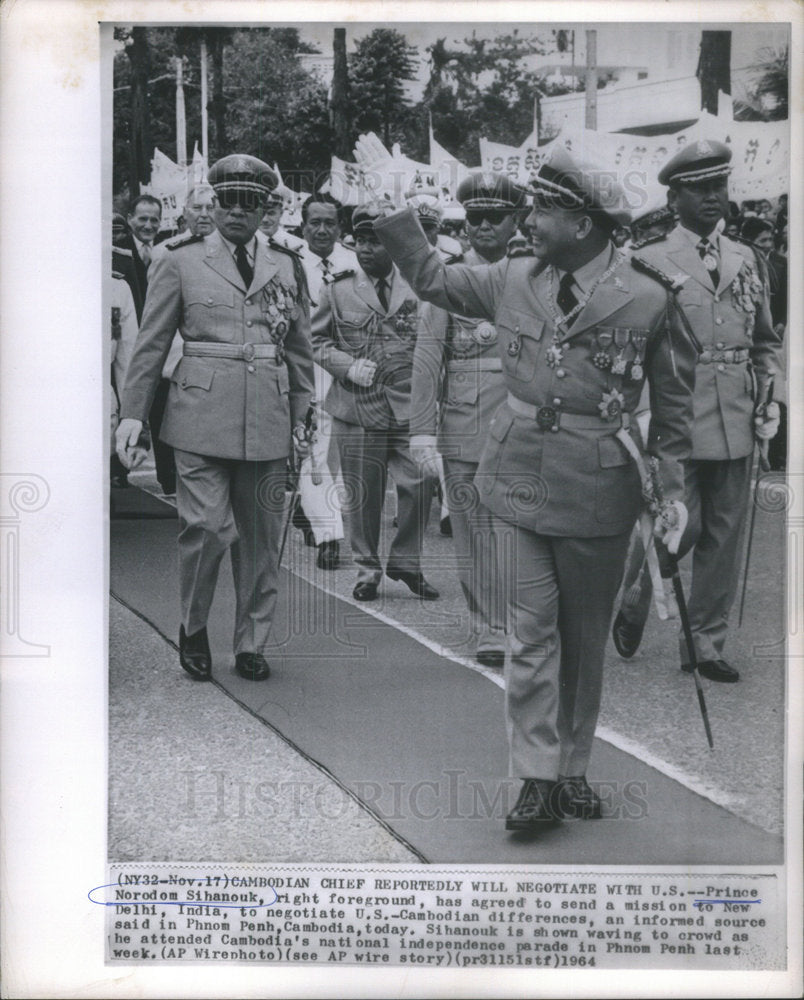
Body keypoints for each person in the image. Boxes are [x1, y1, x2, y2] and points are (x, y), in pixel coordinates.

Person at [374, 147, 695, 831]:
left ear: (582, 222)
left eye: (546, 207)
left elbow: (672, 414)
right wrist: (394, 213)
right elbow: (432, 277)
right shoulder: (514, 275)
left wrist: (672, 495)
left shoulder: (650, 293)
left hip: (600, 485)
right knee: (530, 635)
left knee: (583, 637)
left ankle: (574, 766)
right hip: (515, 477)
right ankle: (536, 777)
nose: (532, 217)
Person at [115, 154, 315, 683]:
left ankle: (251, 640)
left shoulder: (286, 264)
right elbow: (152, 342)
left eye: (250, 203)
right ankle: (193, 624)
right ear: (214, 203)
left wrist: (303, 415)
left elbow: (299, 350)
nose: (237, 212)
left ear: (265, 209)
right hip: (200, 414)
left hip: (269, 417)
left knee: (261, 537)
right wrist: (132, 413)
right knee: (204, 527)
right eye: (228, 200)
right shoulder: (179, 260)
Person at [610, 141, 782, 682]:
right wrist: (633, 413)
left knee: (723, 535)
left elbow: (765, 339)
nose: (713, 198)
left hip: (736, 412)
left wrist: (771, 395)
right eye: (700, 188)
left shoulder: (745, 257)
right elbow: (630, 343)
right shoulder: (648, 259)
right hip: (672, 416)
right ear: (674, 195)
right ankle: (635, 592)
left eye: (719, 187)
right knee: (676, 527)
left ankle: (704, 643)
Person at [408, 172, 525, 668]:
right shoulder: (451, 278)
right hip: (465, 422)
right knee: (474, 533)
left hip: (524, 423)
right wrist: (421, 431)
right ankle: (489, 627)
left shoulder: (534, 275)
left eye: (493, 217)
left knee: (520, 530)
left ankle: (524, 621)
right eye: (473, 217)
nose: (482, 227)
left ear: (515, 220)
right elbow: (427, 358)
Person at [312, 200, 440, 603]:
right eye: (361, 240)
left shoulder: (420, 286)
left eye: (376, 241)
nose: (366, 249)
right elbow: (315, 342)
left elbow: (435, 343)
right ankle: (367, 569)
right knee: (362, 495)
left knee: (421, 483)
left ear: (393, 245)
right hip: (357, 406)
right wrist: (347, 366)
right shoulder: (338, 287)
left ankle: (406, 561)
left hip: (407, 405)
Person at [290, 193, 356, 570]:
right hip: (304, 367)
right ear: (303, 225)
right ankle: (330, 535)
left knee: (339, 454)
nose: (321, 229)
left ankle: (310, 509)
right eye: (314, 222)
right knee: (312, 448)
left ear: (339, 226)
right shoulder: (289, 262)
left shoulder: (352, 262)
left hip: (344, 367)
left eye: (329, 222)